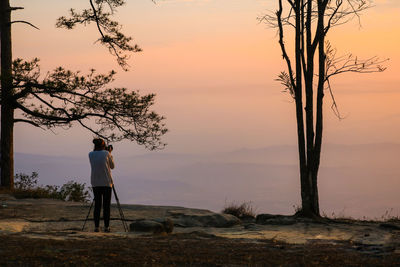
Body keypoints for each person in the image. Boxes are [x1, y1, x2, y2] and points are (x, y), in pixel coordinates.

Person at [89, 138, 115, 232]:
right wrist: (110, 153)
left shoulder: (90, 154)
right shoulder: (107, 154)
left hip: (95, 182)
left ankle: (96, 227)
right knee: (106, 206)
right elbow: (112, 166)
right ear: (103, 146)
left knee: (97, 206)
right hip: (107, 182)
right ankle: (106, 227)